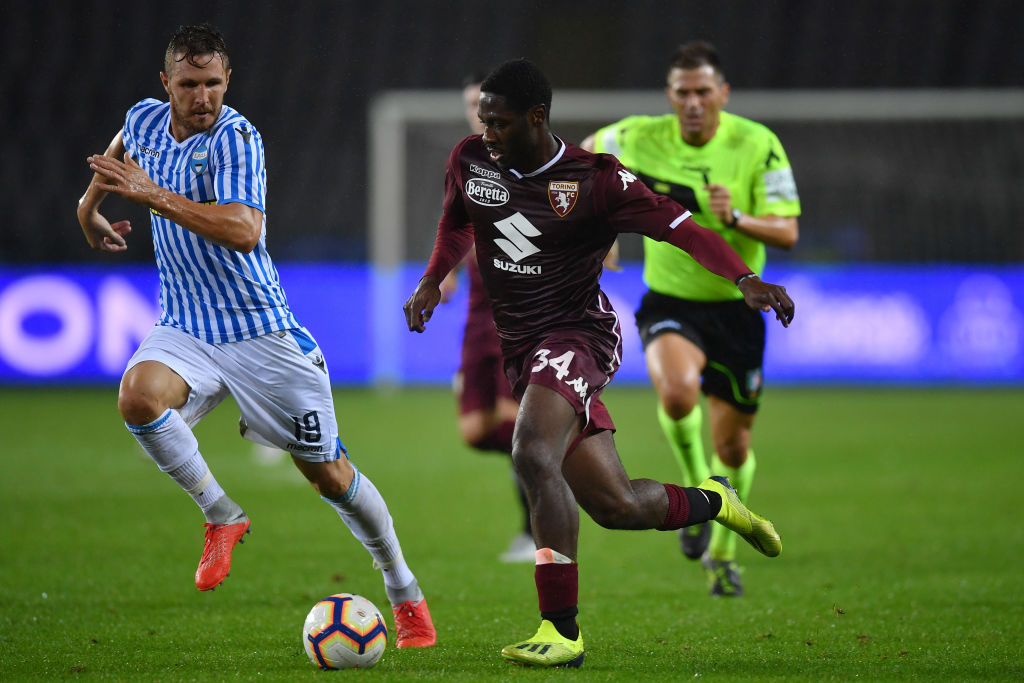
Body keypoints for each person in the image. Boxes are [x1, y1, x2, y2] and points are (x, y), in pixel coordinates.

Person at [403, 58, 791, 668]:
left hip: (579, 335)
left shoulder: (597, 180)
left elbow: (682, 228)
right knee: (617, 506)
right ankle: (718, 501)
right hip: (521, 346)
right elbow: (457, 220)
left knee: (532, 451)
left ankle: (561, 631)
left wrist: (745, 277)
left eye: (500, 123)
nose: (487, 134)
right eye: (483, 121)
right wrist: (433, 277)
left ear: (536, 117)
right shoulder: (471, 159)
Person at [76, 23, 436, 648]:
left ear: (227, 81)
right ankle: (222, 516)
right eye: (189, 84)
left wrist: (153, 195)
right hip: (186, 323)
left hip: (259, 331)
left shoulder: (237, 138)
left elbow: (244, 230)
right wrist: (89, 207)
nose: (203, 97)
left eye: (214, 83)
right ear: (166, 84)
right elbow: (121, 150)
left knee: (330, 477)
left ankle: (403, 588)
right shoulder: (143, 118)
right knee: (138, 396)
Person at [582, 41, 801, 597]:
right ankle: (697, 488)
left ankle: (722, 550)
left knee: (735, 448)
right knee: (677, 393)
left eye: (704, 91)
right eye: (683, 92)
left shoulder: (757, 144)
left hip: (738, 307)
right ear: (669, 95)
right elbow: (583, 156)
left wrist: (738, 217)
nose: (693, 102)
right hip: (670, 301)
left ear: (723, 93)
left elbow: (787, 231)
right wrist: (600, 226)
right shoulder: (636, 136)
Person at [438, 72, 534, 563]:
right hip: (478, 317)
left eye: (484, 102)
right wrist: (444, 270)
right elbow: (458, 222)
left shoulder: (533, 159)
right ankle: (556, 455)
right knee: (476, 432)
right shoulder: (467, 162)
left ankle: (534, 532)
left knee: (519, 428)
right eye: (470, 104)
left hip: (522, 318)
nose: (477, 113)